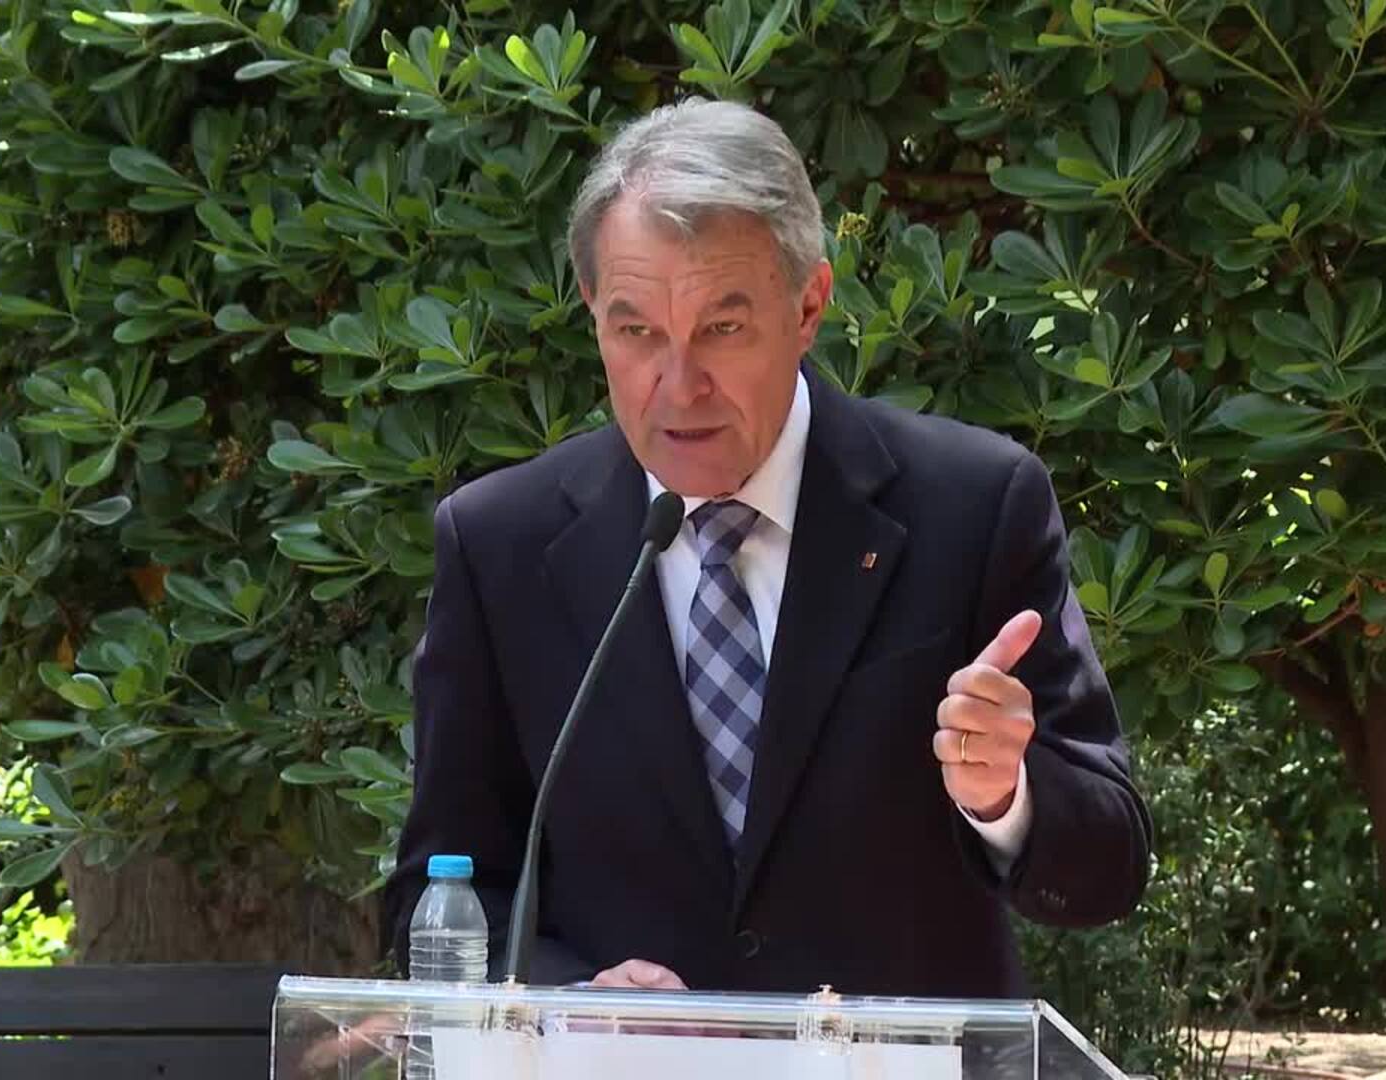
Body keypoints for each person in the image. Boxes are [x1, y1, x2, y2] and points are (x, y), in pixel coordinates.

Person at [382, 98, 1151, 998]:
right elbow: (440, 896)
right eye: (636, 331)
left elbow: (1110, 866)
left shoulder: (973, 507)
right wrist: (571, 1000)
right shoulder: (500, 544)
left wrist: (1006, 795)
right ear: (592, 311)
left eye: (722, 328)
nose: (679, 387)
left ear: (809, 305)